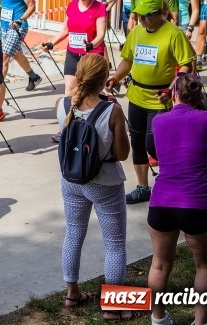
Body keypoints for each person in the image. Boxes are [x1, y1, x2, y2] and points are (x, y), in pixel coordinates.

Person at [54, 54, 133, 321]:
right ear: (103, 80)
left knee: (73, 234)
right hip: (105, 183)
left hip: (72, 181)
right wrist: (116, 112)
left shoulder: (63, 104)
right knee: (115, 244)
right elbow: (122, 154)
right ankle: (112, 307)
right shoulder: (112, 111)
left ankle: (72, 293)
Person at [147, 74, 207, 325]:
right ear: (199, 96)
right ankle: (201, 322)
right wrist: (204, 110)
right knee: (205, 266)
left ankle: (158, 319)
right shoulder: (206, 118)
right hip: (197, 203)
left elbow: (154, 152)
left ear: (173, 94)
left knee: (159, 265)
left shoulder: (158, 120)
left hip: (161, 202)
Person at [107, 0, 195, 205]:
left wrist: (172, 89)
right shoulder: (137, 32)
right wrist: (115, 78)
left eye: (147, 15)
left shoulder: (173, 33)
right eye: (139, 15)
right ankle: (142, 188)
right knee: (137, 143)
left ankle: (174, 184)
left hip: (160, 99)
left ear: (161, 13)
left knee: (154, 145)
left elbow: (187, 64)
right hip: (137, 96)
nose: (142, 19)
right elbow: (127, 60)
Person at [44, 0, 107, 98]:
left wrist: (91, 45)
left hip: (91, 54)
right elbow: (65, 30)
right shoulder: (72, 6)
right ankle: (71, 110)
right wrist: (51, 43)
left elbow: (101, 34)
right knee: (69, 89)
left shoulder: (99, 7)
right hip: (73, 53)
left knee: (88, 90)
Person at [0, 0, 42, 92]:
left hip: (18, 27)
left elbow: (31, 6)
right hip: (4, 26)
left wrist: (20, 20)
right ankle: (33, 77)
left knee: (5, 55)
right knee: (17, 54)